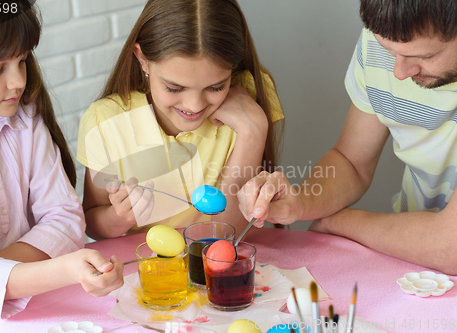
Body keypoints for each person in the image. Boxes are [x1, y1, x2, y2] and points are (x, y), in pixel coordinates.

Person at [238, 0, 457, 275]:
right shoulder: (385, 39)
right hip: (414, 265)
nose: (400, 73)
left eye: (425, 57)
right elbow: (352, 162)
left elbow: (450, 246)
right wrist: (301, 202)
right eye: (389, 50)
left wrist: (339, 222)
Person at [0, 2, 124, 319]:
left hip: (29, 306)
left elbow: (66, 220)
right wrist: (62, 267)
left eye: (22, 61)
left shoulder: (25, 117)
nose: (18, 80)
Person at [77, 0, 284, 239]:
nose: (194, 105)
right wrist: (120, 216)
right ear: (142, 58)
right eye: (174, 88)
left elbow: (229, 235)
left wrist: (253, 131)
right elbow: (91, 222)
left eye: (216, 87)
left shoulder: (250, 98)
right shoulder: (105, 121)